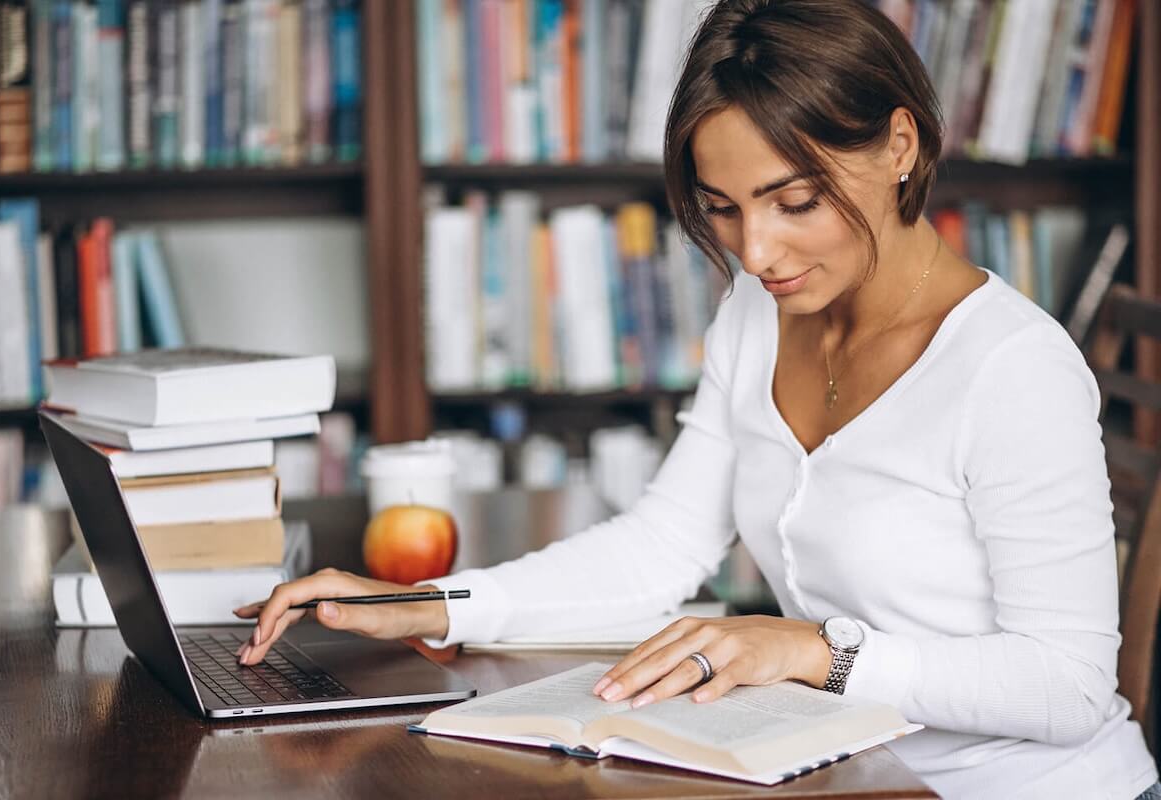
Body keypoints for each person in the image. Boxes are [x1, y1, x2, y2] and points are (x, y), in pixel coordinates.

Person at [235, 1, 1159, 797]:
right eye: (722, 207)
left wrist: (813, 650)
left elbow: (1071, 683)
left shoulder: (1012, 367)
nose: (755, 252)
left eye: (794, 201)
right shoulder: (760, 314)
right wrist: (434, 605)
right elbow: (660, 548)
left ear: (898, 148)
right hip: (855, 773)